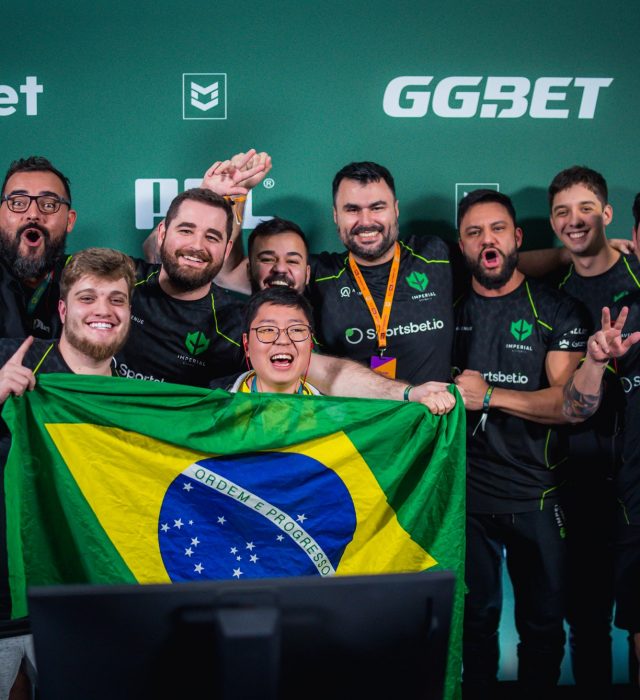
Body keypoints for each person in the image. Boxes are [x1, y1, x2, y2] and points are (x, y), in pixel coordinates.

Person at [452, 189, 588, 699]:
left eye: (497, 230)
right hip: (467, 497)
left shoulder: (556, 308)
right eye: (474, 232)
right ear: (461, 246)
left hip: (538, 494)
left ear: (518, 238)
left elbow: (570, 404)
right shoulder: (443, 307)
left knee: (543, 624)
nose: (487, 240)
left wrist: (489, 396)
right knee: (475, 621)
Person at [0, 247, 135, 700]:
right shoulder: (10, 359)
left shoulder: (136, 400)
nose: (104, 310)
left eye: (117, 300)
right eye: (88, 298)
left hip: (83, 603)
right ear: (62, 310)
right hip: (3, 599)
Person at [546, 166, 640, 693]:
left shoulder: (638, 274)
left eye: (585, 208)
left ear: (607, 213)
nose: (574, 220)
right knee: (586, 620)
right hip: (578, 469)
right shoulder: (550, 292)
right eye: (562, 212)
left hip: (637, 473)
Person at [0, 156, 77, 339]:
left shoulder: (83, 277)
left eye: (49, 205)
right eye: (18, 203)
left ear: (69, 221)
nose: (33, 214)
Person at [229, 287, 318, 394]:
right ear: (246, 344)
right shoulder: (214, 400)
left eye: (296, 329)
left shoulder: (328, 404)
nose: (283, 341)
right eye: (268, 330)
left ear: (310, 343)